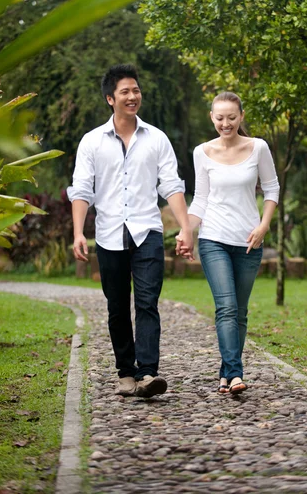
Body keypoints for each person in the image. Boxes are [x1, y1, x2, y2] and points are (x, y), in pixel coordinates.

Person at [67, 64, 194, 398]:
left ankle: (148, 373)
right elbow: (81, 189)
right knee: (117, 307)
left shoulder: (157, 139)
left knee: (148, 302)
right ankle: (126, 372)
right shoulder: (92, 142)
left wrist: (185, 228)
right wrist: (79, 232)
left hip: (147, 231)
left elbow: (172, 185)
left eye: (136, 90)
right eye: (125, 91)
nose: (132, 96)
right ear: (110, 98)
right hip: (109, 233)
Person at [177, 91, 279, 394]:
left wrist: (263, 225)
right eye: (219, 118)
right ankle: (235, 374)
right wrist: (186, 230)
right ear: (212, 117)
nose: (225, 123)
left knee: (240, 311)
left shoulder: (258, 147)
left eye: (231, 118)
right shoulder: (202, 152)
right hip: (214, 239)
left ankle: (225, 373)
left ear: (241, 117)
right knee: (227, 308)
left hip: (249, 241)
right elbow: (202, 199)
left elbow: (272, 188)